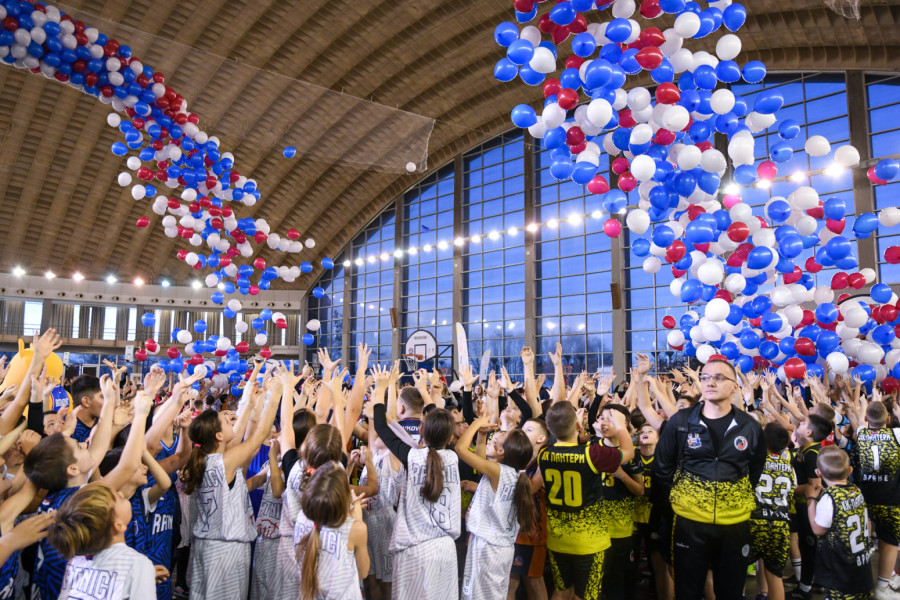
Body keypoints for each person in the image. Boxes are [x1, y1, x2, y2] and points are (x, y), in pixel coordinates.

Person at [655, 358, 766, 600]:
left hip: (734, 524)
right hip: (689, 522)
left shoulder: (749, 426)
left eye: (719, 377)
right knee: (688, 591)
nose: (709, 382)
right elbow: (662, 468)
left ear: (734, 387)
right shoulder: (681, 422)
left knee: (730, 592)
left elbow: (755, 470)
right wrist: (680, 501)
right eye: (705, 377)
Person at [179, 369, 280, 600]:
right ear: (218, 436)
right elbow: (260, 434)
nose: (232, 423)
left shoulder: (206, 459)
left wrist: (250, 402)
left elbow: (239, 485)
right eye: (225, 422)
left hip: (209, 548)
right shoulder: (224, 461)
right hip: (226, 550)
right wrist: (276, 394)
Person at [372, 373, 461, 600]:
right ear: (451, 438)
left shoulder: (411, 457)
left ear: (422, 431)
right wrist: (427, 391)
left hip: (415, 550)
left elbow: (381, 426)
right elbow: (439, 421)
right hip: (446, 550)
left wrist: (382, 387)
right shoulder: (452, 458)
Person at [534, 401, 633, 600]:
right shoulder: (592, 454)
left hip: (557, 539)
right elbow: (629, 453)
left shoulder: (544, 453)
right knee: (585, 595)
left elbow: (535, 484)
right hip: (589, 543)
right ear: (579, 425)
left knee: (561, 591)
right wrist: (621, 426)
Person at [455, 415, 534, 600]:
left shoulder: (498, 472)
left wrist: (476, 423)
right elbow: (479, 460)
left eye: (494, 439)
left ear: (501, 452)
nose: (492, 438)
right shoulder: (510, 473)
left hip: (490, 548)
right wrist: (481, 437)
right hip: (498, 546)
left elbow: (460, 448)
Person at [49, 482, 157, 600]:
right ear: (119, 525)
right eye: (120, 498)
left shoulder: (75, 560)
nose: (121, 493)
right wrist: (142, 574)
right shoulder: (137, 563)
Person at [805, 446, 873, 600]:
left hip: (839, 570)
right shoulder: (856, 490)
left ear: (818, 473)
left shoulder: (829, 498)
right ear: (849, 471)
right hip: (860, 564)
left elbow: (817, 529)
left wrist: (811, 501)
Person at [294, 462, 370, 600]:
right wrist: (357, 519)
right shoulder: (357, 529)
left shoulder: (303, 517)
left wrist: (347, 516)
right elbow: (363, 572)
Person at [851, 400, 900, 599]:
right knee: (889, 543)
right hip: (890, 498)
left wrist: (865, 404)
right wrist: (896, 406)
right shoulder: (896, 434)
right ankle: (882, 588)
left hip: (865, 498)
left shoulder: (861, 434)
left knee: (861, 542)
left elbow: (863, 418)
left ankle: (858, 584)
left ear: (865, 419)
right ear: (888, 419)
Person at [596, 404, 643, 600]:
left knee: (620, 582)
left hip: (622, 530)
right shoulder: (591, 449)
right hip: (595, 530)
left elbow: (640, 490)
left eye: (611, 418)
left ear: (624, 425)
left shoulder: (633, 455)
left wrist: (623, 476)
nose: (605, 423)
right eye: (602, 418)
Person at [750, 422, 796, 600]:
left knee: (736, 570)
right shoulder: (789, 467)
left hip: (754, 522)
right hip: (780, 524)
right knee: (775, 575)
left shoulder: (754, 462)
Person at [791, 413, 832, 600]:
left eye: (803, 423)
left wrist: (790, 488)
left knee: (808, 548)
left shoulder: (812, 454)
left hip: (807, 508)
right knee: (805, 546)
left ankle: (805, 588)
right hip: (800, 507)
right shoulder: (805, 450)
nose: (798, 424)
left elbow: (815, 486)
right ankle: (812, 580)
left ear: (808, 432)